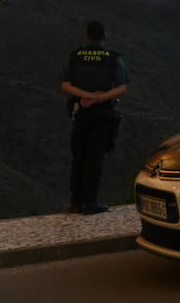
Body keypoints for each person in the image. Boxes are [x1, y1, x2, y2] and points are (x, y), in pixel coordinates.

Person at [61, 20, 128, 215]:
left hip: (80, 113)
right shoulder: (113, 58)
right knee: (94, 158)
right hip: (103, 115)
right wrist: (99, 97)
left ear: (87, 35)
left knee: (78, 157)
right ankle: (90, 203)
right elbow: (122, 88)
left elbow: (65, 85)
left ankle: (75, 202)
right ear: (104, 35)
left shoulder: (75, 56)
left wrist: (84, 95)